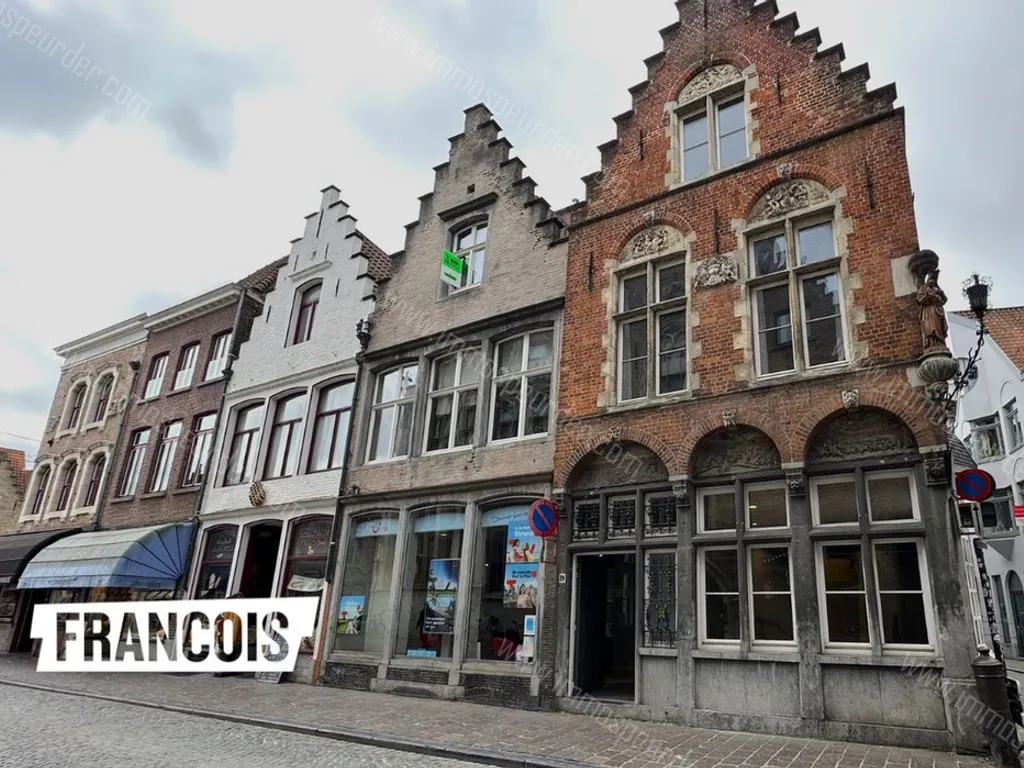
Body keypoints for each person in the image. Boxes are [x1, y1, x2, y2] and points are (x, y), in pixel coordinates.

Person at [212, 592, 244, 678]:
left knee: (227, 652)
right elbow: (236, 624)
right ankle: (223, 671)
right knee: (229, 652)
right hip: (230, 634)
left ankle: (223, 670)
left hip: (226, 634)